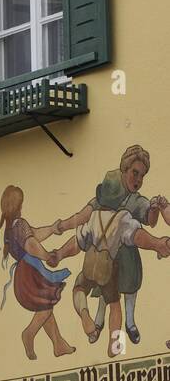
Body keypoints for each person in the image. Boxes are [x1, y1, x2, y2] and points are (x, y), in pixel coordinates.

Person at [53, 146, 169, 352]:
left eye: (142, 175)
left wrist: (59, 253)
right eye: (135, 173)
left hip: (96, 263)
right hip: (110, 263)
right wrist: (159, 244)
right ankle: (114, 343)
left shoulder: (100, 214)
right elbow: (138, 235)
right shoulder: (123, 217)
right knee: (113, 303)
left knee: (90, 289)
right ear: (124, 171)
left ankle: (98, 320)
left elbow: (78, 239)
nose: (139, 179)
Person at [0, 185, 74, 359]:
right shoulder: (19, 224)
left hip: (24, 273)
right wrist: (46, 256)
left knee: (45, 304)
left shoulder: (11, 227)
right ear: (18, 205)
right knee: (46, 303)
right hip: (31, 272)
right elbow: (31, 244)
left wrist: (51, 228)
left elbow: (34, 234)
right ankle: (29, 333)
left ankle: (58, 344)